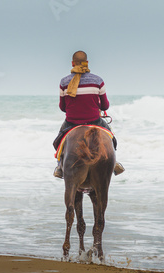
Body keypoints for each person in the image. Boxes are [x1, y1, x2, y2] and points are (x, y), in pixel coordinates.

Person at [53, 50, 124, 178]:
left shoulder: (64, 82)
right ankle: (114, 163)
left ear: (72, 63)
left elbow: (62, 107)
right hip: (94, 121)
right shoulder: (98, 81)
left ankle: (59, 166)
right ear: (87, 63)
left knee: (58, 141)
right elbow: (105, 106)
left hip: (71, 122)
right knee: (111, 138)